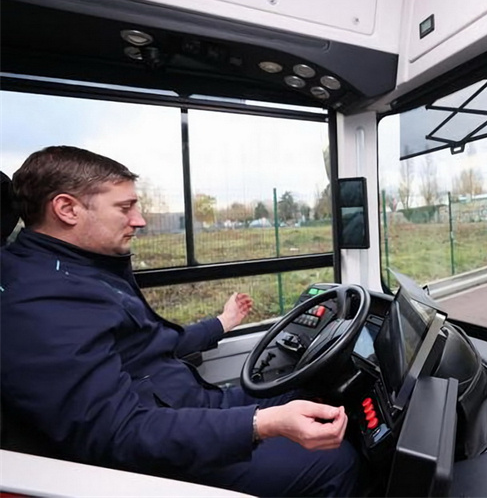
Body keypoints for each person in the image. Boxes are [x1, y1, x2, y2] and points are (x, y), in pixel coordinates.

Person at [0, 146, 360, 496]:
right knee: (336, 460)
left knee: (308, 392)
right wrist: (261, 424)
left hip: (188, 405)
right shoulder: (41, 299)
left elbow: (150, 342)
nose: (138, 220)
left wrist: (221, 323)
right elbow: (118, 432)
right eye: (124, 208)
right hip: (159, 454)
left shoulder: (85, 268)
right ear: (67, 209)